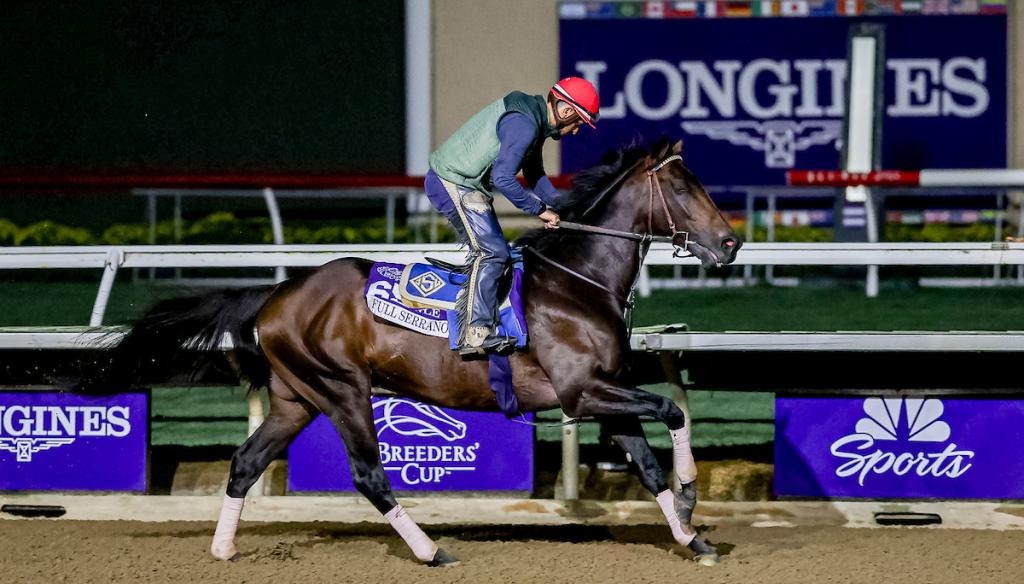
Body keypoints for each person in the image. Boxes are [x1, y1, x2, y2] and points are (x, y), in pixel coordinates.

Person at [424, 77, 600, 358]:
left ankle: (491, 317)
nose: (577, 131)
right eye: (578, 122)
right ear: (566, 111)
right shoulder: (525, 124)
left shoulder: (533, 119)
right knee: (492, 253)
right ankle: (475, 333)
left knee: (501, 253)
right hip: (451, 182)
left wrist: (565, 208)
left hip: (467, 184)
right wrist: (539, 210)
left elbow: (534, 174)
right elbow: (503, 179)